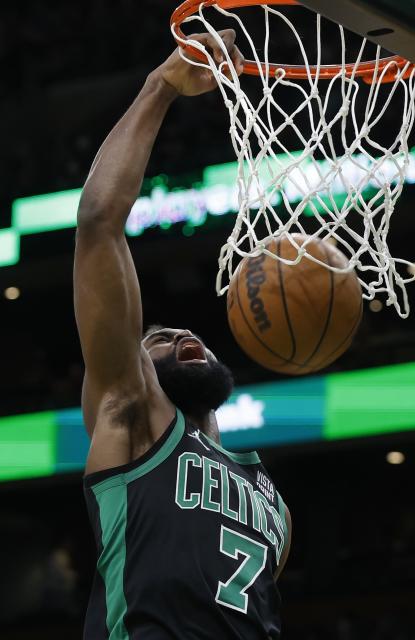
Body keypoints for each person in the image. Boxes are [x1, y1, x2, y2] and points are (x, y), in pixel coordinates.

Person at [74, 29, 292, 639]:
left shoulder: (272, 502)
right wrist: (159, 88)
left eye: (182, 332)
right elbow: (98, 224)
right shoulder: (132, 414)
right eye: (157, 338)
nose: (181, 333)